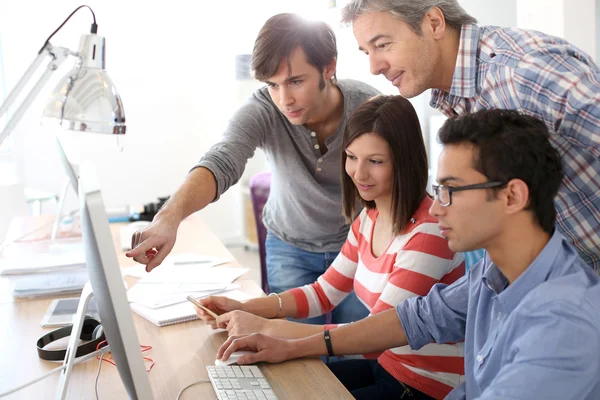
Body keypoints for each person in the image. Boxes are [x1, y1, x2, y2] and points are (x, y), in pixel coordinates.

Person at [217, 109, 600, 400]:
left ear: (512, 196)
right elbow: (411, 319)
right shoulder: (491, 274)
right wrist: (283, 341)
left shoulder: (562, 325)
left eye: (451, 189)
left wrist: (273, 331)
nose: (436, 208)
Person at [196, 95, 466, 400]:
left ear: (404, 160)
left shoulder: (430, 231)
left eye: (375, 161)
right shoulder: (370, 217)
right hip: (388, 366)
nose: (358, 174)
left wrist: (271, 330)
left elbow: (375, 335)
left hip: (424, 385)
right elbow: (323, 293)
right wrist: (244, 307)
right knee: (278, 385)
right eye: (351, 157)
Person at [126, 13, 381, 324]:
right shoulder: (264, 108)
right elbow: (223, 159)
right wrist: (169, 217)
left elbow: (405, 185)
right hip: (291, 247)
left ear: (328, 67)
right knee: (298, 361)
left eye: (295, 81)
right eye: (272, 85)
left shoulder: (368, 107)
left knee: (355, 355)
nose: (284, 99)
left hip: (360, 246)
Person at [339, 0, 600, 272]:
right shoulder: (458, 96)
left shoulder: (522, 72)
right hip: (563, 274)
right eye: (366, 51)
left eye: (382, 45)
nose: (374, 67)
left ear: (434, 23)